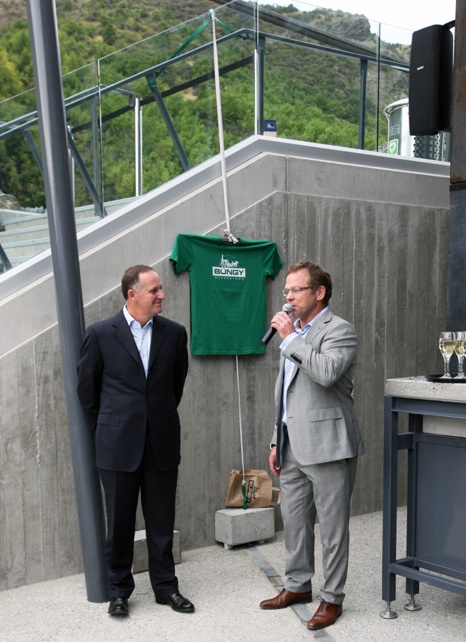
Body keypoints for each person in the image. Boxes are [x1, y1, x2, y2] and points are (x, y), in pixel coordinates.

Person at [77, 264, 193, 617]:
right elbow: (87, 391)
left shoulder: (174, 333)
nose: (162, 295)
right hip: (116, 445)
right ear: (132, 294)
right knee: (121, 522)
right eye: (155, 289)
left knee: (161, 521)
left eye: (160, 289)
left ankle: (165, 587)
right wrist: (106, 429)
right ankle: (119, 591)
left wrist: (153, 419)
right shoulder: (100, 334)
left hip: (160, 441)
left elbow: (176, 385)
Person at [259, 261, 365, 631]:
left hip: (329, 445)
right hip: (291, 446)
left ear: (318, 293)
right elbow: (287, 394)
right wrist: (277, 439)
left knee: (333, 527)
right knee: (295, 523)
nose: (287, 297)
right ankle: (297, 585)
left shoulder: (340, 330)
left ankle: (332, 598)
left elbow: (326, 373)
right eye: (286, 291)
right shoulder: (295, 334)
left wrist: (291, 340)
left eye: (295, 290)